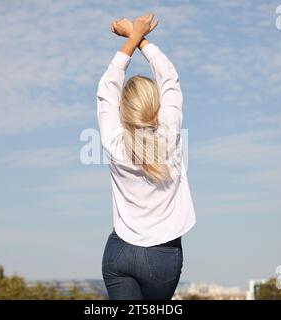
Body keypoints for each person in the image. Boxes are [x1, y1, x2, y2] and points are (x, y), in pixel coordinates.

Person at [97, 13, 196, 300]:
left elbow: (107, 89)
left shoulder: (114, 141)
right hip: (162, 257)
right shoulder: (170, 134)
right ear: (157, 105)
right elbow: (169, 78)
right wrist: (141, 40)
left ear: (122, 111)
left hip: (119, 253)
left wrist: (132, 39)